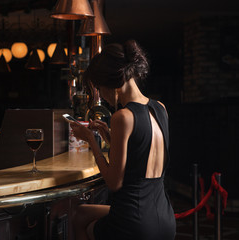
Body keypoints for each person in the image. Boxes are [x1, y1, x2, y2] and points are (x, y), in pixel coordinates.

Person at [71, 40, 176, 240]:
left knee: (81, 223)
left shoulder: (122, 117)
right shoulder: (161, 108)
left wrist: (91, 141)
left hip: (133, 222)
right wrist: (109, 138)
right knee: (81, 214)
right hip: (164, 219)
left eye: (99, 88)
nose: (100, 95)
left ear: (111, 83)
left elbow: (113, 183)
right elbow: (142, 153)